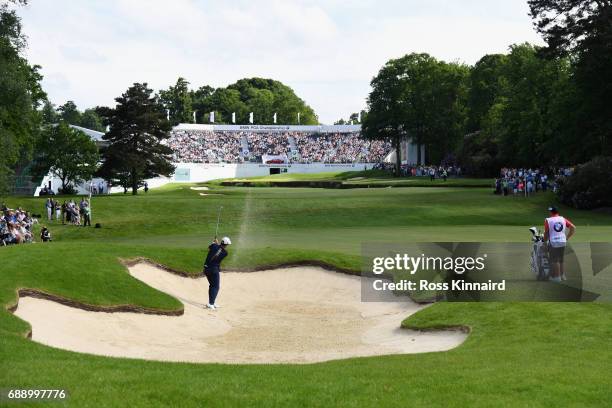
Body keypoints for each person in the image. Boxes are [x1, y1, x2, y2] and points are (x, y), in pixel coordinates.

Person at [543, 206, 576, 282]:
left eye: (550, 211)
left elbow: (546, 233)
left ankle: (557, 278)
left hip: (554, 241)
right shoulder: (562, 219)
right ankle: (562, 276)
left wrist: (544, 242)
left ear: (551, 212)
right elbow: (573, 227)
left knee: (555, 260)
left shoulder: (548, 220)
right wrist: (567, 237)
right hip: (562, 241)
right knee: (560, 260)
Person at [203, 236, 231, 310]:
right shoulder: (225, 253)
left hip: (206, 269)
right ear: (226, 244)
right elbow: (219, 251)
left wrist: (214, 243)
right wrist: (216, 244)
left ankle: (211, 302)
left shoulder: (214, 246)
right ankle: (211, 304)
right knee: (215, 286)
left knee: (212, 285)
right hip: (214, 270)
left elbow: (210, 249)